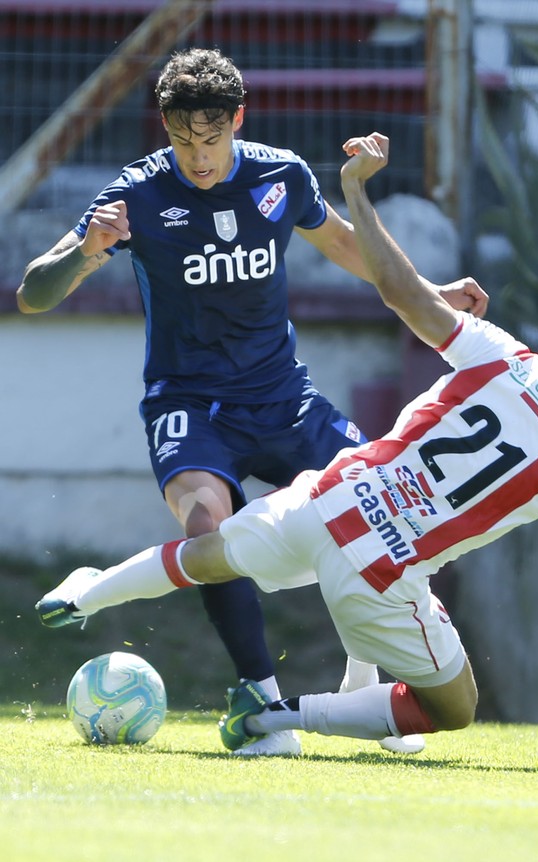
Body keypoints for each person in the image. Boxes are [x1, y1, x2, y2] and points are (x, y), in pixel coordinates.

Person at [37, 131, 538, 752]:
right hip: (383, 570)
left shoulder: (504, 355)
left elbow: (400, 293)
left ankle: (89, 592)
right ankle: (274, 715)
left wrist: (357, 191)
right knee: (454, 706)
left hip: (329, 495)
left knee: (209, 552)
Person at [18, 48, 487, 755]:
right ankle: (260, 701)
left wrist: (431, 291)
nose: (198, 159)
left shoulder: (281, 174)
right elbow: (32, 294)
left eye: (211, 140)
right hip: (190, 404)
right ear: (165, 129)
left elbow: (345, 244)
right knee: (210, 522)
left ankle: (368, 685)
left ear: (238, 119)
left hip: (284, 398)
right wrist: (85, 252)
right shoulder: (137, 194)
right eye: (182, 141)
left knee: (388, 501)